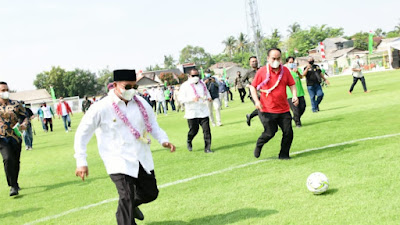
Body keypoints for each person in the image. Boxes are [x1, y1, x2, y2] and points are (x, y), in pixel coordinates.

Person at [74, 69, 176, 225]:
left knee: (150, 193)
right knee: (126, 196)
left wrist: (163, 140)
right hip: (117, 159)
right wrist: (81, 161)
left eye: (135, 87)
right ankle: (126, 213)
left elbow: (153, 124)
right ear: (115, 85)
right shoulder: (101, 107)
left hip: (140, 156)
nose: (132, 91)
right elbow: (82, 133)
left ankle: (129, 208)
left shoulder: (141, 103)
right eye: (127, 87)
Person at [249, 48, 298, 159]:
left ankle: (284, 154)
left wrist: (294, 95)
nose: (276, 61)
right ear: (268, 58)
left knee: (288, 132)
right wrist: (257, 101)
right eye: (273, 58)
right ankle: (259, 144)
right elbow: (253, 87)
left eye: (278, 58)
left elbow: (291, 84)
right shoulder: (262, 71)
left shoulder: (285, 70)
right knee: (270, 132)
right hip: (267, 109)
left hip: (283, 109)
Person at [0, 81, 28, 196]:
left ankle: (15, 182)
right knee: (7, 158)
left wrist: (24, 124)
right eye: (2, 90)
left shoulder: (16, 104)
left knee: (15, 161)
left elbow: (25, 117)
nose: (5, 92)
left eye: (6, 89)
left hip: (15, 137)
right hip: (2, 137)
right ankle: (12, 186)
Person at [178, 68, 213, 153]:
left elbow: (206, 92)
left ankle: (207, 148)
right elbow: (181, 99)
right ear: (189, 76)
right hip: (192, 112)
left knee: (206, 130)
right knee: (194, 130)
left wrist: (209, 97)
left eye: (197, 75)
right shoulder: (185, 85)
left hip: (203, 110)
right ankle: (189, 140)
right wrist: (191, 99)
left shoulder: (202, 84)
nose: (196, 77)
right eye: (194, 75)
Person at [285, 57, 306, 127]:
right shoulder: (285, 72)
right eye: (290, 62)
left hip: (300, 92)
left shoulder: (297, 70)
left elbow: (301, 77)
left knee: (303, 107)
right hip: (290, 94)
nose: (291, 64)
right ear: (287, 63)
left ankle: (295, 118)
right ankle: (298, 123)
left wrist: (297, 72)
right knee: (296, 109)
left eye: (292, 62)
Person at [242, 56, 260, 126]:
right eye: (252, 61)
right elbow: (242, 81)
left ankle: (250, 116)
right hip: (253, 94)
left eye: (255, 61)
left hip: (263, 92)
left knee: (266, 108)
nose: (254, 62)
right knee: (261, 108)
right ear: (250, 63)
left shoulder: (260, 70)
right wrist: (247, 85)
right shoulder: (248, 72)